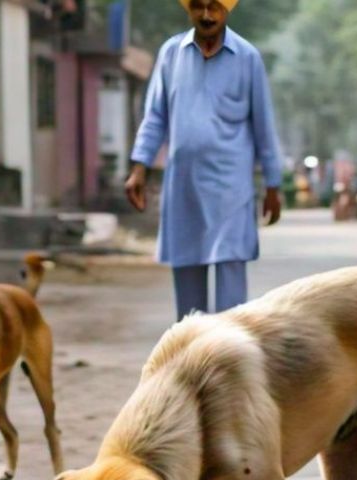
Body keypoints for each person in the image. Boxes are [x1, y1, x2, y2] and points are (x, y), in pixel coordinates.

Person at [125, 0, 283, 320]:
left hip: (232, 189)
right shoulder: (171, 54)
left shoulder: (247, 57)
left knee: (231, 302)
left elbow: (263, 124)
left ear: (227, 9)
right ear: (188, 10)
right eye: (199, 7)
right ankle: (193, 365)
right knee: (188, 299)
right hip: (184, 186)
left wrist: (272, 184)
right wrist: (139, 168)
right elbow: (155, 117)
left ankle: (229, 366)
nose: (207, 15)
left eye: (214, 7)